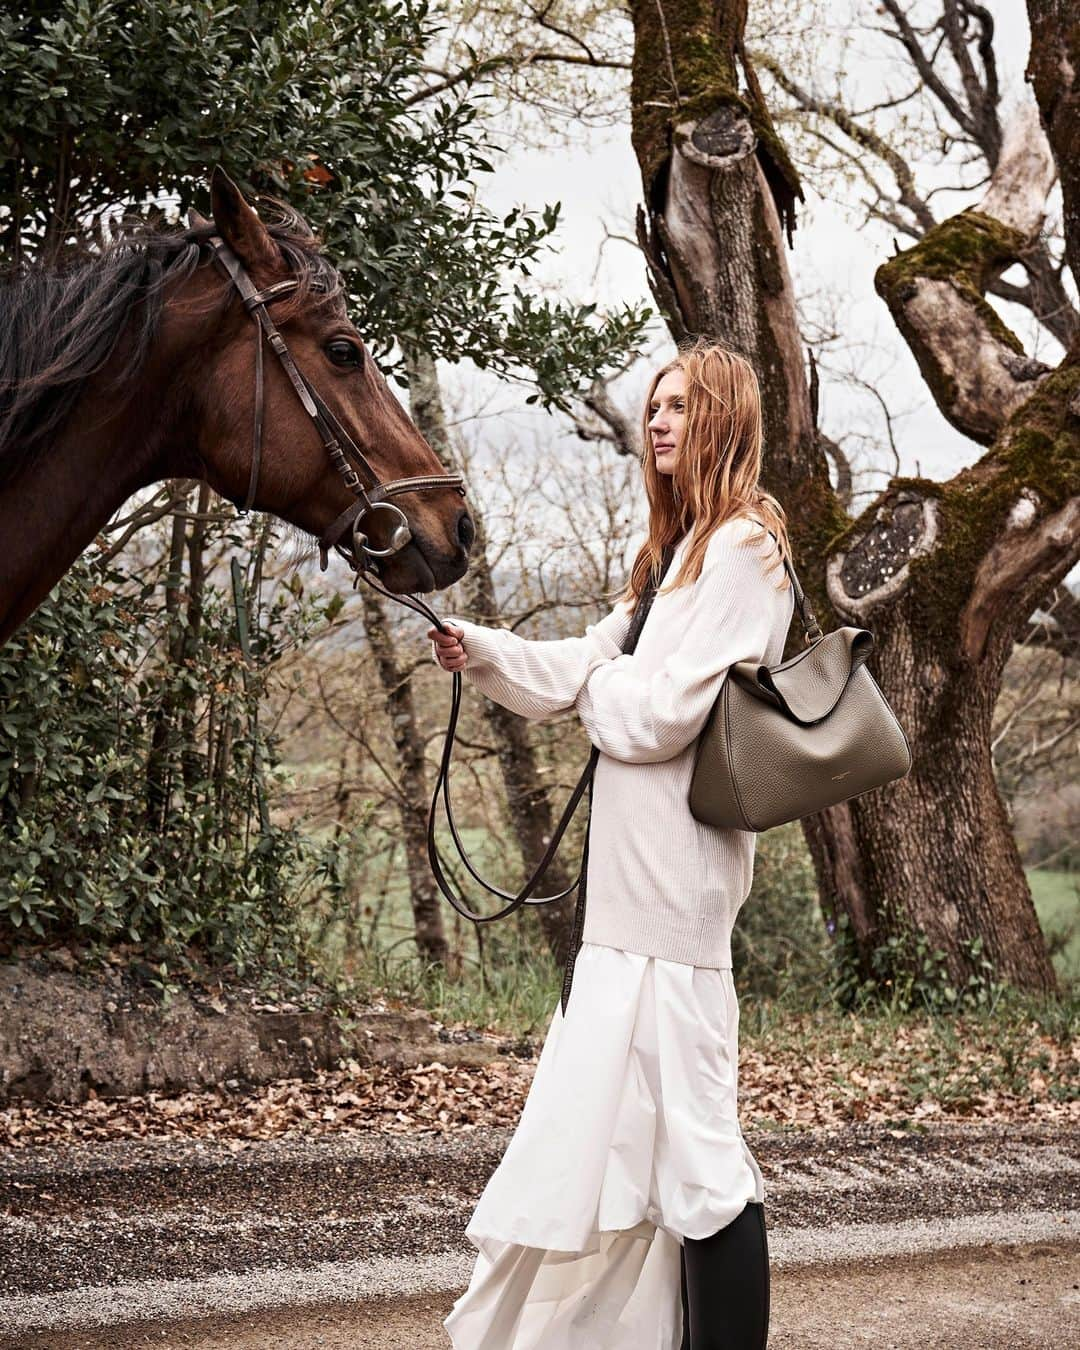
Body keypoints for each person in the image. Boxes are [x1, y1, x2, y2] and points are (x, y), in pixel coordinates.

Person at [428, 337, 795, 1349]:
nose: (659, 419)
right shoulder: (675, 556)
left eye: (681, 404)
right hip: (626, 910)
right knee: (638, 1144)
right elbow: (588, 666)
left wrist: (596, 687)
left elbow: (658, 717)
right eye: (655, 404)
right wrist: (484, 650)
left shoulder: (747, 549)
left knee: (702, 1155)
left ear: (723, 419)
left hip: (677, 905)